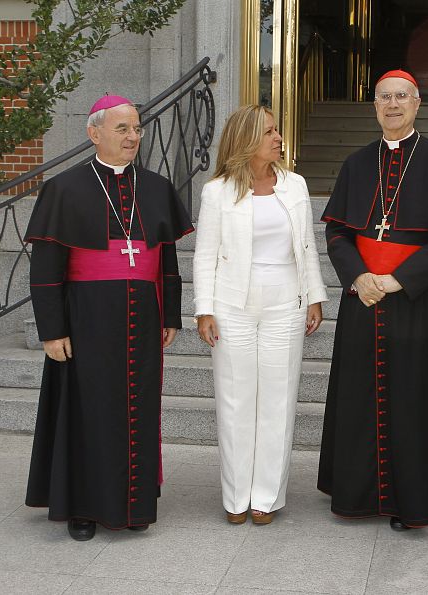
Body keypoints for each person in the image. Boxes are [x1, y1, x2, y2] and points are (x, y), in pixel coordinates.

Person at [24, 95, 193, 540]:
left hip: (143, 315)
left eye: (136, 128)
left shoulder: (156, 188)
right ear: (93, 132)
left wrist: (170, 312)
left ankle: (134, 505)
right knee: (89, 410)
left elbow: (167, 258)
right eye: (122, 129)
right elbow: (45, 269)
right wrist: (52, 329)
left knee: (139, 409)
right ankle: (84, 508)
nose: (133, 137)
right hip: (86, 317)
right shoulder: (64, 188)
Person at [317, 69, 428, 529]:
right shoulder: (356, 163)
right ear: (374, 106)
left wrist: (398, 280)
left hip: (415, 299)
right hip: (362, 298)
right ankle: (358, 492)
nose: (392, 104)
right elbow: (337, 232)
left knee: (412, 397)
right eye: (384, 97)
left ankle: (411, 498)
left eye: (401, 97)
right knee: (358, 396)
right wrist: (358, 277)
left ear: (417, 103)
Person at [193, 105, 327, 525]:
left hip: (285, 303)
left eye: (277, 130)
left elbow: (306, 245)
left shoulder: (295, 185)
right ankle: (236, 498)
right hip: (232, 306)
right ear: (247, 139)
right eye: (269, 132)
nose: (278, 138)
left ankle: (265, 498)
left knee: (278, 401)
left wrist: (314, 297)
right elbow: (204, 256)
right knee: (234, 400)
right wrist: (204, 309)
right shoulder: (217, 191)